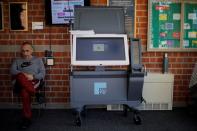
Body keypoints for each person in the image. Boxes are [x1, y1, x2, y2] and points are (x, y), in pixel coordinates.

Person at [10, 42, 45, 129]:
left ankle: (27, 118)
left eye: (27, 51)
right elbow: (12, 71)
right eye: (23, 51)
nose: (25, 53)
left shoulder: (38, 60)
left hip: (34, 81)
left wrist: (33, 76)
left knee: (25, 92)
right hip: (20, 82)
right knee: (20, 76)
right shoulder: (17, 60)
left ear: (32, 50)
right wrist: (25, 75)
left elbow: (43, 74)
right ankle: (35, 93)